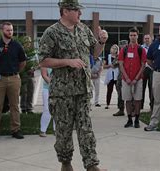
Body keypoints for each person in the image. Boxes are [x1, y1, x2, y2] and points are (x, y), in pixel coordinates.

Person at [37, 0, 108, 170]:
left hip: (83, 90)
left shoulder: (83, 29)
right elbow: (43, 60)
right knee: (63, 131)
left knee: (86, 129)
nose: (80, 14)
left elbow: (95, 52)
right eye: (77, 10)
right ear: (66, 11)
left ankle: (91, 165)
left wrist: (102, 41)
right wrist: (67, 61)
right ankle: (66, 163)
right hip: (62, 92)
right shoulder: (51, 32)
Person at [0, 22, 27, 140]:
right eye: (8, 30)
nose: (10, 32)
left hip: (14, 78)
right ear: (2, 31)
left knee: (14, 106)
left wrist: (16, 71)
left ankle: (16, 130)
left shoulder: (17, 45)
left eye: (12, 30)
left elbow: (23, 62)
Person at [118, 28, 146, 128]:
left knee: (138, 100)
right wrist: (127, 78)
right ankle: (129, 119)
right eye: (131, 35)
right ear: (129, 36)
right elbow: (121, 64)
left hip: (138, 79)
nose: (133, 37)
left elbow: (143, 65)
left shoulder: (141, 49)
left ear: (138, 36)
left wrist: (135, 79)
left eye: (134, 35)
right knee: (128, 100)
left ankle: (137, 119)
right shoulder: (124, 49)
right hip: (126, 80)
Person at [112, 40, 128, 116]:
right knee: (120, 94)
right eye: (121, 46)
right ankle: (121, 109)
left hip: (129, 76)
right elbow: (113, 65)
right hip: (120, 77)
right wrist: (118, 61)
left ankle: (132, 110)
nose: (123, 48)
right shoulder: (119, 55)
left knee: (130, 93)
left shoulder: (131, 53)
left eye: (124, 46)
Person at [20, 36, 35, 114]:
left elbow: (37, 63)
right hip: (24, 74)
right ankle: (23, 108)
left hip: (31, 74)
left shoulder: (33, 52)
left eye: (29, 42)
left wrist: (34, 68)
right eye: (26, 42)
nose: (28, 44)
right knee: (24, 91)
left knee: (31, 91)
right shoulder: (21, 52)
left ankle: (29, 108)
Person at [39, 67, 55, 137]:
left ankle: (57, 130)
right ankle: (43, 130)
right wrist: (53, 84)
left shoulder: (59, 60)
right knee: (47, 109)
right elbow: (44, 75)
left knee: (58, 110)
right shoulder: (45, 62)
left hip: (59, 90)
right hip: (47, 90)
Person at [104, 44, 120, 109]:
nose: (113, 49)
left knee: (119, 91)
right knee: (109, 90)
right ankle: (107, 104)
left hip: (117, 76)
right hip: (110, 76)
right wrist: (109, 65)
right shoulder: (108, 56)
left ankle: (120, 105)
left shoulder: (119, 56)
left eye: (115, 48)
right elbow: (104, 66)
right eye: (112, 48)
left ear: (117, 50)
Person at [91, 36, 104, 107]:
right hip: (90, 76)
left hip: (97, 76)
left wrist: (98, 74)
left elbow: (101, 67)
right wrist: (91, 75)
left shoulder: (100, 59)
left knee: (97, 90)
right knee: (90, 90)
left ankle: (96, 102)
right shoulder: (89, 58)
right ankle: (89, 102)